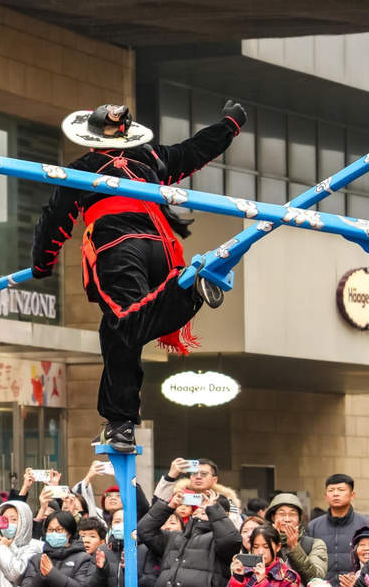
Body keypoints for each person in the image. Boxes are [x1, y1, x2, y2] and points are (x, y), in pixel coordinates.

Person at [30, 101, 246, 451]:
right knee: (118, 334)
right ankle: (121, 424)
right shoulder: (151, 160)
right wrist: (229, 124)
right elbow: (194, 150)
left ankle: (186, 292)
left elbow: (52, 222)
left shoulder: (83, 169)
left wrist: (42, 267)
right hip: (162, 248)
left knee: (126, 321)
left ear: (91, 139)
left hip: (118, 245)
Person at [139, 490, 241, 587]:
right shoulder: (174, 537)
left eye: (207, 508)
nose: (203, 508)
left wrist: (213, 509)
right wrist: (169, 506)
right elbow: (145, 530)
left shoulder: (217, 540)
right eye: (201, 506)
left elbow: (231, 541)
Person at [308, 475, 369, 586]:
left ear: (352, 495)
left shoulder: (365, 525)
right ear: (326, 496)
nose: (335, 494)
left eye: (341, 490)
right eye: (331, 490)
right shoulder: (313, 526)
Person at [153, 458, 242, 528]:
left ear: (214, 480)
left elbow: (234, 528)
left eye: (204, 474)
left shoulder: (225, 501)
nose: (198, 477)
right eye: (194, 473)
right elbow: (155, 510)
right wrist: (170, 476)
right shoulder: (177, 496)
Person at [18, 510, 93, 587]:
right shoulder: (37, 559)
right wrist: (42, 575)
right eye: (50, 530)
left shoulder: (83, 559)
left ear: (69, 532)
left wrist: (52, 574)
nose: (54, 533)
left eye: (58, 530)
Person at [266, 492, 328, 583]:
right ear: (273, 517)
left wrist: (294, 547)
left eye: (292, 514)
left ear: (299, 519)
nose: (287, 519)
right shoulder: (262, 541)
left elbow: (316, 578)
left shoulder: (315, 544)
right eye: (282, 514)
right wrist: (273, 543)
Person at [89, 508, 157, 587]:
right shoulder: (102, 550)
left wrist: (132, 572)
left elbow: (152, 582)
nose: (122, 525)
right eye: (117, 522)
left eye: (126, 521)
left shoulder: (146, 550)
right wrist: (101, 571)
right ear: (111, 526)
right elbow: (91, 584)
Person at [229, 525, 301, 587]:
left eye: (266, 547)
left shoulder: (289, 576)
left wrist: (262, 581)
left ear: (278, 547)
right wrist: (238, 578)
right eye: (256, 547)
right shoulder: (244, 570)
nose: (260, 552)